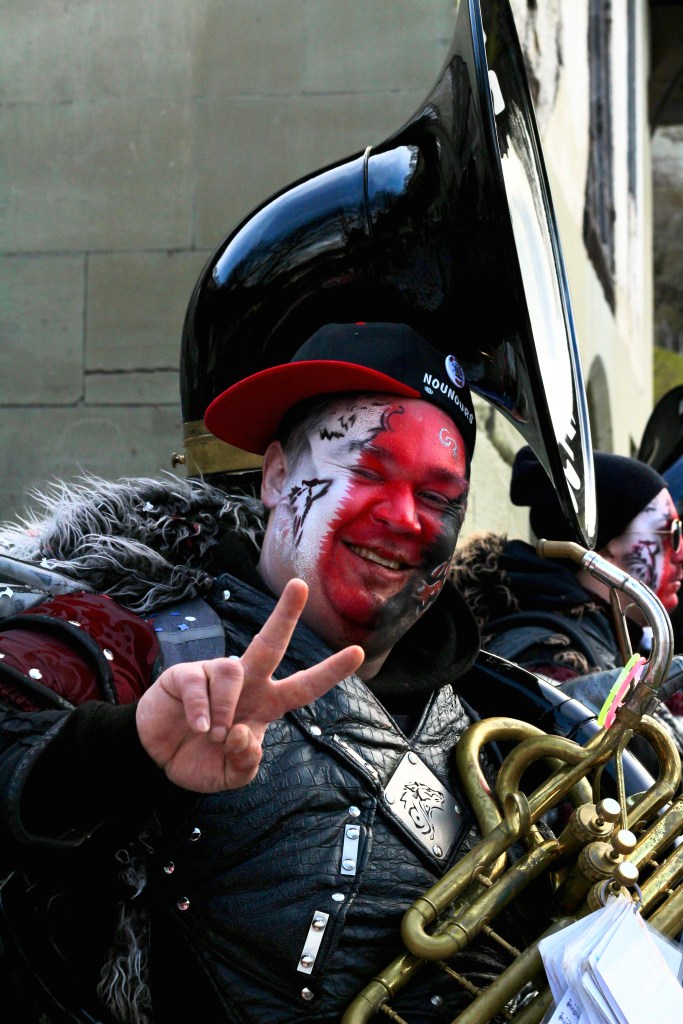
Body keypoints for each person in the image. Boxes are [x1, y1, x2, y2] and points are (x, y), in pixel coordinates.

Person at [0, 321, 526, 1024]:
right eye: (367, 472)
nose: (404, 519)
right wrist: (123, 748)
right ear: (277, 476)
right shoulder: (131, 633)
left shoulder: (498, 716)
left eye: (436, 498)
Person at [450, 445, 683, 757]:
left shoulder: (612, 638)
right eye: (673, 532)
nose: (681, 553)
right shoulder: (550, 652)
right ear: (611, 542)